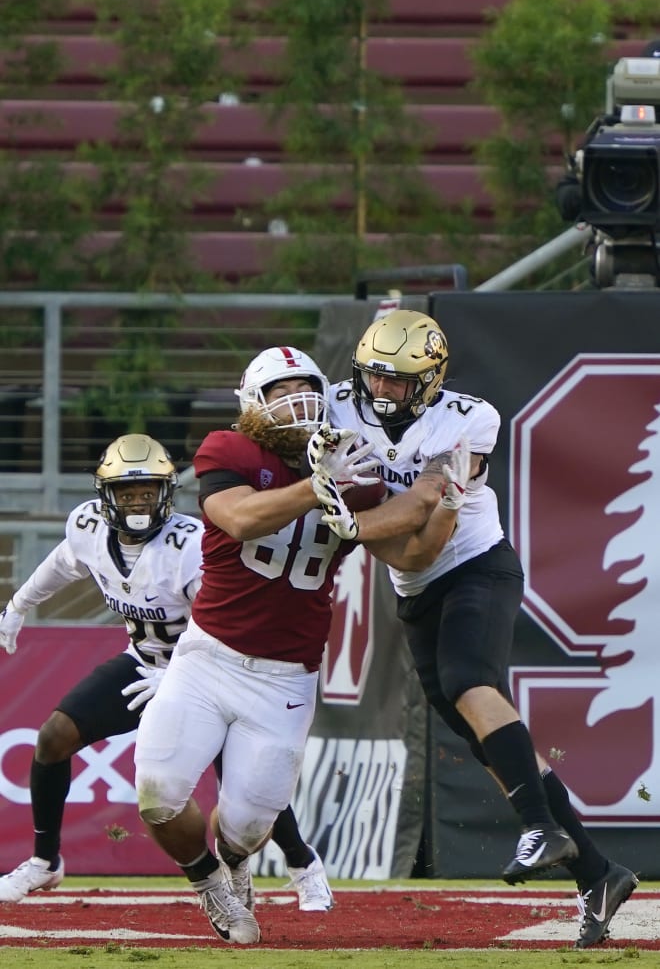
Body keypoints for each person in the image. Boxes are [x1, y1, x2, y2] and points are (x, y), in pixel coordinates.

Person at [307, 309, 639, 950]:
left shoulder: (467, 419)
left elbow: (426, 512)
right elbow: (398, 551)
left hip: (475, 566)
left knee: (469, 680)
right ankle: (597, 872)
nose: (383, 393)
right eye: (374, 378)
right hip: (415, 589)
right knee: (483, 736)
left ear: (429, 383)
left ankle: (543, 825)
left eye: (399, 383)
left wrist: (349, 524)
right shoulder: (337, 409)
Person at [0, 432, 331, 912]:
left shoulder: (190, 544)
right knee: (53, 738)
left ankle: (303, 864)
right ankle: (44, 861)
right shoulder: (88, 527)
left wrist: (179, 676)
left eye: (148, 492)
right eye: (128, 493)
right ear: (106, 496)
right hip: (143, 663)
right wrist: (18, 605)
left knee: (242, 779)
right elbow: (64, 561)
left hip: (211, 669)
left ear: (166, 493)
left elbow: (220, 619)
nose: (138, 502)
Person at [132, 347, 380, 945]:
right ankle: (207, 881)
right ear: (252, 403)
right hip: (208, 656)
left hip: (285, 678)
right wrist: (320, 489)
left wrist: (439, 495)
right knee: (158, 795)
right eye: (280, 390)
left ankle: (235, 861)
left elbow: (399, 541)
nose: (297, 400)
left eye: (306, 387)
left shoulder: (359, 470)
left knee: (245, 828)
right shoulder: (229, 448)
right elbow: (240, 519)